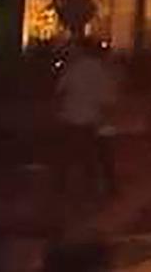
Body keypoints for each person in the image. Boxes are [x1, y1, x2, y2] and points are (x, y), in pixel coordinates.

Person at [56, 38, 118, 199]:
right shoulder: (102, 70)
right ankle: (105, 187)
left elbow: (60, 89)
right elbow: (109, 98)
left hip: (72, 117)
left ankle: (62, 187)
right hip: (93, 119)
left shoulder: (73, 68)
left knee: (69, 155)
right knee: (97, 155)